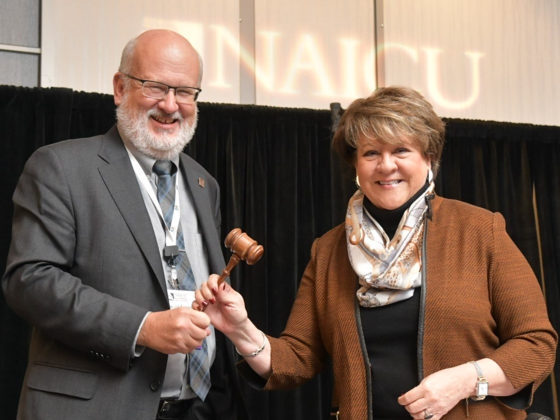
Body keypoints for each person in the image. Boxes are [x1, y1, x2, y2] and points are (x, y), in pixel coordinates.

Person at [194, 86, 557, 419]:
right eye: (371, 153)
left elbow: (537, 346)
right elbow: (298, 360)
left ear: (429, 158)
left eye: (401, 150)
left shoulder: (480, 231)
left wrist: (465, 380)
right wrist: (240, 329)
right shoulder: (329, 251)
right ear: (356, 166)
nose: (386, 165)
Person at [2, 30, 247, 420]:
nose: (170, 105)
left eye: (185, 92)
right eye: (155, 87)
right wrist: (142, 327)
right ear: (120, 87)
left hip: (199, 408)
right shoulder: (61, 167)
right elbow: (29, 280)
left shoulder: (204, 185)